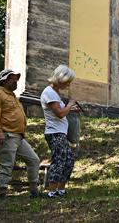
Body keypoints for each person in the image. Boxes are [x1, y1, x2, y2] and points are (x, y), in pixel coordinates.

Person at [0, 68, 41, 198]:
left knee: (34, 160)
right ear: (4, 81)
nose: (15, 82)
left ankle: (34, 191)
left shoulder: (14, 97)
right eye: (12, 79)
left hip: (19, 137)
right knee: (6, 164)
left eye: (16, 79)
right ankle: (2, 192)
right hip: (7, 135)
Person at [40, 65, 80, 197]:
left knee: (68, 160)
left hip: (60, 132)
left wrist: (72, 109)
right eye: (67, 81)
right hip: (54, 133)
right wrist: (69, 105)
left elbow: (62, 111)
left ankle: (60, 190)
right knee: (59, 161)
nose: (68, 85)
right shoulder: (49, 93)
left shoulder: (55, 93)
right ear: (60, 79)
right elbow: (59, 113)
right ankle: (52, 192)